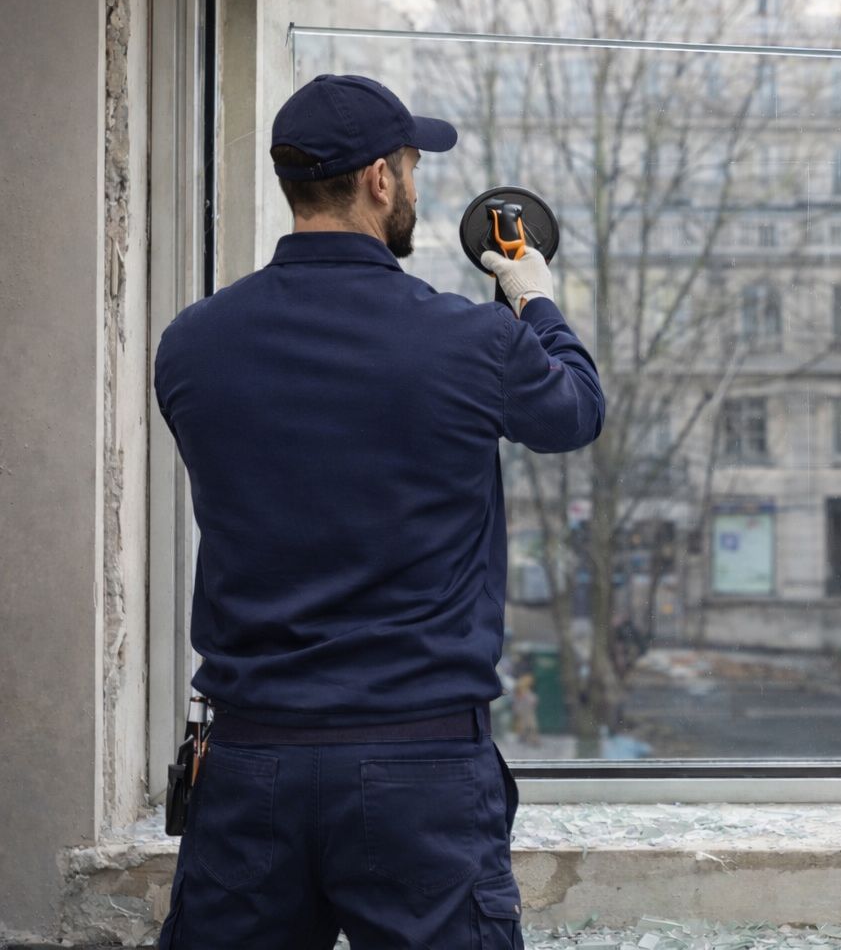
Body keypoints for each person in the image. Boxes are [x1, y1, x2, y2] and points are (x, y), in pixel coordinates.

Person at [154, 73, 604, 949]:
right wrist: (533, 298)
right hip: (419, 773)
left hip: (250, 769)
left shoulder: (192, 344)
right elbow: (573, 412)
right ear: (379, 180)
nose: (414, 184)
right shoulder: (471, 341)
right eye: (409, 164)